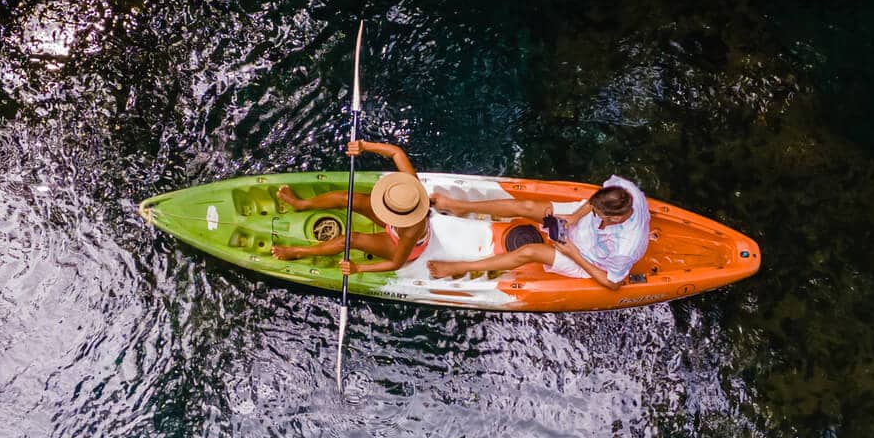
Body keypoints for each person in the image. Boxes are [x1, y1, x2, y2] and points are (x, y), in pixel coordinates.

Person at [430, 175, 651, 289]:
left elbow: (612, 283)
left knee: (529, 251)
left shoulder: (625, 247)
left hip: (587, 259)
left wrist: (573, 253)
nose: (593, 211)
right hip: (578, 226)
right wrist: (575, 216)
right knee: (524, 207)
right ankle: (460, 206)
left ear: (614, 218)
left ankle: (460, 267)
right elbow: (595, 200)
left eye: (597, 214)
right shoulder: (623, 189)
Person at [271, 139, 432, 275]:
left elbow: (396, 263)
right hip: (397, 223)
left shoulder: (412, 231)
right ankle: (301, 204)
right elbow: (397, 153)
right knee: (348, 198)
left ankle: (299, 252)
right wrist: (364, 146)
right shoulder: (411, 188)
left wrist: (358, 268)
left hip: (399, 243)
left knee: (351, 239)